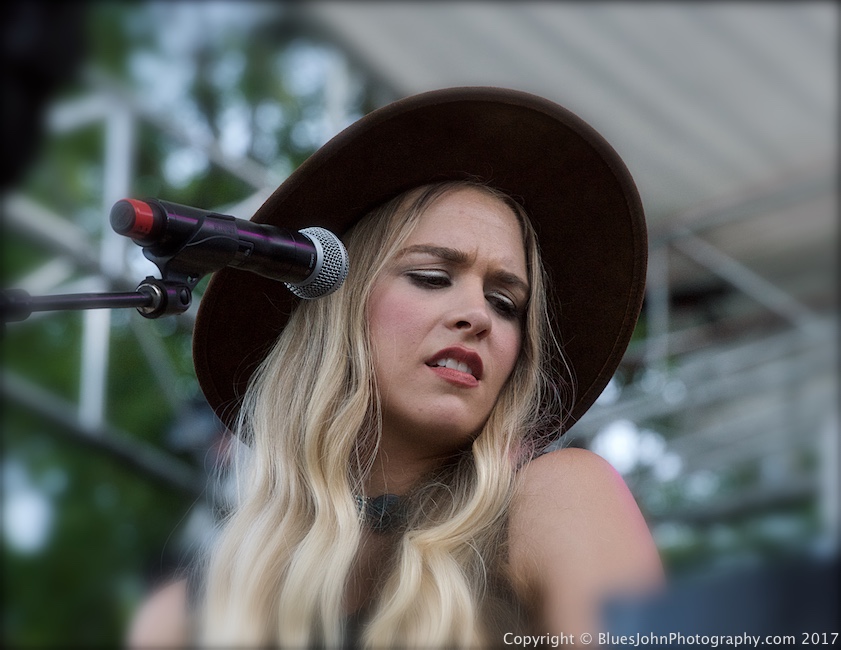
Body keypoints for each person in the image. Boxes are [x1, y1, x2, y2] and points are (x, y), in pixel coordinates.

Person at [127, 87, 664, 648]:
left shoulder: (558, 499)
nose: (478, 315)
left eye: (506, 304)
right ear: (338, 308)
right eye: (432, 278)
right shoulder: (191, 612)